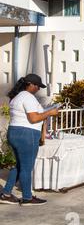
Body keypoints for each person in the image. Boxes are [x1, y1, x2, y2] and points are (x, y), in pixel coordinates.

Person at [0, 74, 59, 206]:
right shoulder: (28, 97)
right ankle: (27, 198)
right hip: (27, 135)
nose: (38, 89)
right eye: (37, 86)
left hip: (14, 133)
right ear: (30, 84)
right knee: (26, 168)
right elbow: (33, 119)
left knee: (19, 166)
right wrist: (50, 112)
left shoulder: (16, 97)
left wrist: (44, 112)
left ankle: (6, 194)